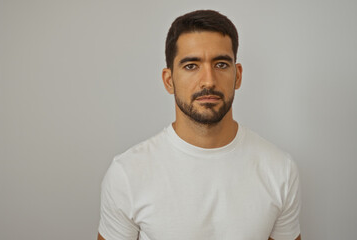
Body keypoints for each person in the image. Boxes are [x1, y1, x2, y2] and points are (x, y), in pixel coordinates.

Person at [97, 10, 301, 240]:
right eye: (191, 65)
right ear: (168, 80)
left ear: (238, 75)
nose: (208, 80)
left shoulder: (279, 169)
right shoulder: (128, 173)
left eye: (221, 64)